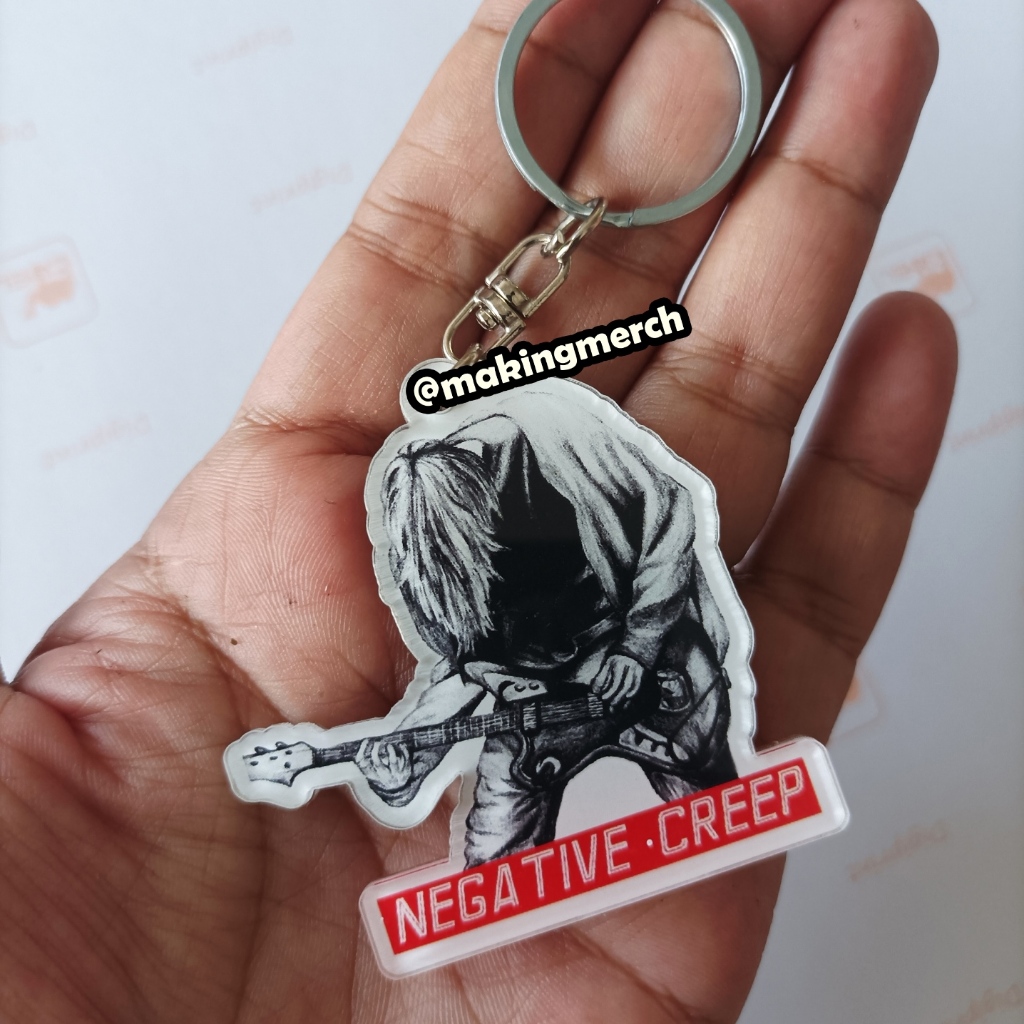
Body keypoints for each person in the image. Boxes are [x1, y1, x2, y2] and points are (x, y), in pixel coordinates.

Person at [0, 0, 956, 1020]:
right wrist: (362, 753)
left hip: (662, 659)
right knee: (495, 838)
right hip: (538, 714)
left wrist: (637, 642)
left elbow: (676, 523)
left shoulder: (585, 460)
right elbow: (448, 682)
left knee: (706, 780)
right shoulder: (444, 574)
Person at [355, 389, 737, 864]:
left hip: (652, 671)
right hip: (538, 708)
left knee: (723, 813)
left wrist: (638, 647)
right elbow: (459, 665)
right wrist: (406, 762)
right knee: (492, 864)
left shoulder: (550, 439)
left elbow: (668, 512)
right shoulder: (418, 548)